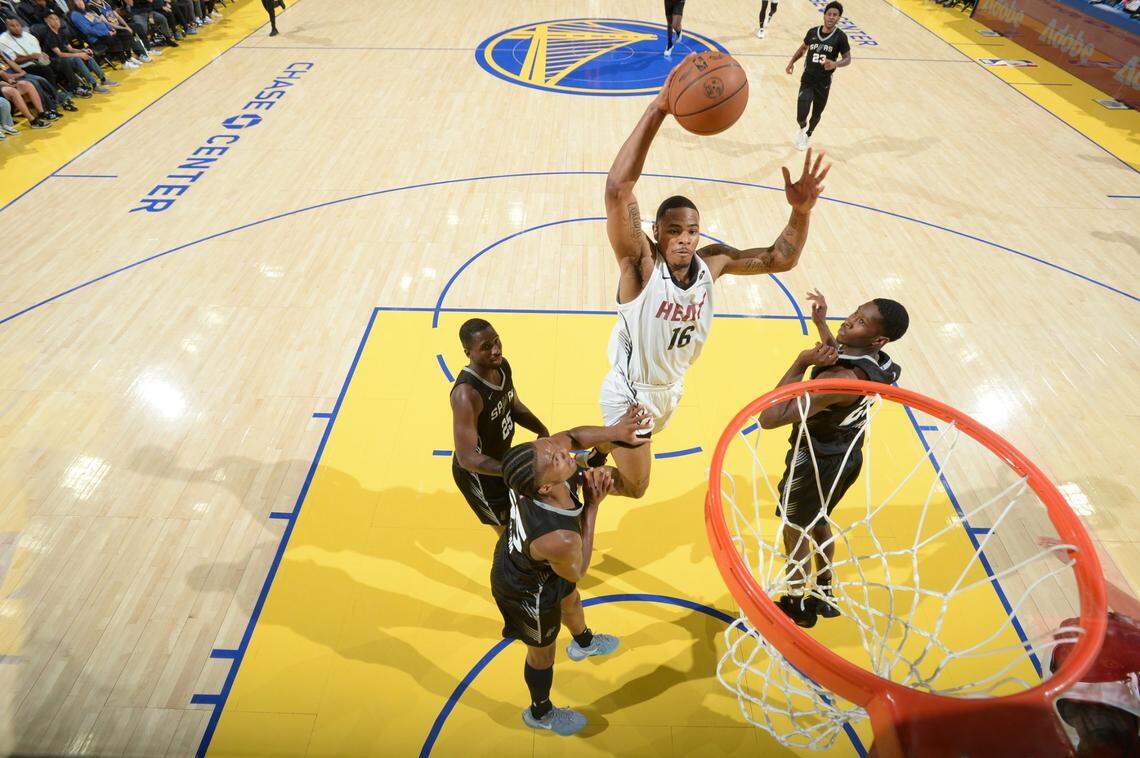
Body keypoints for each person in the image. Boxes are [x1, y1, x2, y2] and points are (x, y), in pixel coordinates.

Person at [592, 58, 830, 500]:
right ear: (657, 233)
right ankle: (573, 487)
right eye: (674, 232)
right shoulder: (641, 267)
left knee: (627, 462)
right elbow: (617, 190)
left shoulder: (713, 263)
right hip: (630, 394)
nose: (684, 240)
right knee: (636, 486)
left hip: (669, 388)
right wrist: (659, 110)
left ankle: (594, 453)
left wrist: (800, 212)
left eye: (692, 231)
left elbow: (781, 258)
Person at [492, 409, 649, 735]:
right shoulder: (559, 538)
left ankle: (584, 643)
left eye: (550, 447)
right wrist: (592, 506)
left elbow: (573, 436)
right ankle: (541, 712)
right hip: (524, 590)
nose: (561, 451)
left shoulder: (536, 473)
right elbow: (577, 569)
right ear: (547, 488)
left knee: (572, 601)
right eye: (554, 458)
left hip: (536, 564)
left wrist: (615, 431)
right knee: (542, 653)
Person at [757, 289, 908, 628]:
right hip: (847, 456)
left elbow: (769, 417)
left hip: (814, 461)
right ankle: (824, 592)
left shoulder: (836, 382)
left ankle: (796, 604)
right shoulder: (880, 364)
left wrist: (801, 362)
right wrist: (823, 325)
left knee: (795, 529)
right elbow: (845, 354)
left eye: (862, 322)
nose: (851, 320)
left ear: (878, 339)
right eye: (856, 311)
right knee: (819, 521)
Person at [450, 318, 549, 536]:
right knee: (509, 536)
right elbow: (466, 458)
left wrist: (541, 430)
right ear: (468, 353)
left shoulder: (502, 366)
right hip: (480, 476)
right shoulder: (466, 395)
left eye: (496, 341)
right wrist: (510, 470)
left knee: (525, 516)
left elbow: (512, 403)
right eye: (486, 347)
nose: (496, 350)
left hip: (502, 461)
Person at [784, 1, 851, 151]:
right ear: (824, 15)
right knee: (801, 115)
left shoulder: (840, 37)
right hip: (807, 80)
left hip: (824, 82)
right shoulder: (813, 32)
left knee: (816, 114)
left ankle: (808, 134)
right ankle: (802, 127)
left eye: (835, 15)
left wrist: (835, 64)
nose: (831, 17)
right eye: (829, 14)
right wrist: (791, 62)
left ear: (839, 18)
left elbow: (848, 59)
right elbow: (803, 48)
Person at [36, 11, 116, 94]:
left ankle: (103, 79)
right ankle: (94, 85)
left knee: (87, 55)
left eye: (57, 19)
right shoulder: (49, 36)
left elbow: (70, 49)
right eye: (53, 19)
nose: (57, 21)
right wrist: (79, 54)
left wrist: (83, 50)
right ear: (48, 22)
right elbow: (59, 54)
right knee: (77, 58)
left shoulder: (61, 32)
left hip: (66, 56)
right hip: (57, 60)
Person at [1, 54, 50, 127]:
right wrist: (6, 83)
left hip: (4, 83)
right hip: (2, 88)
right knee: (12, 91)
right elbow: (3, 75)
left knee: (26, 84)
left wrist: (9, 81)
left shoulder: (2, 57)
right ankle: (32, 120)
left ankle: (41, 113)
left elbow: (8, 76)